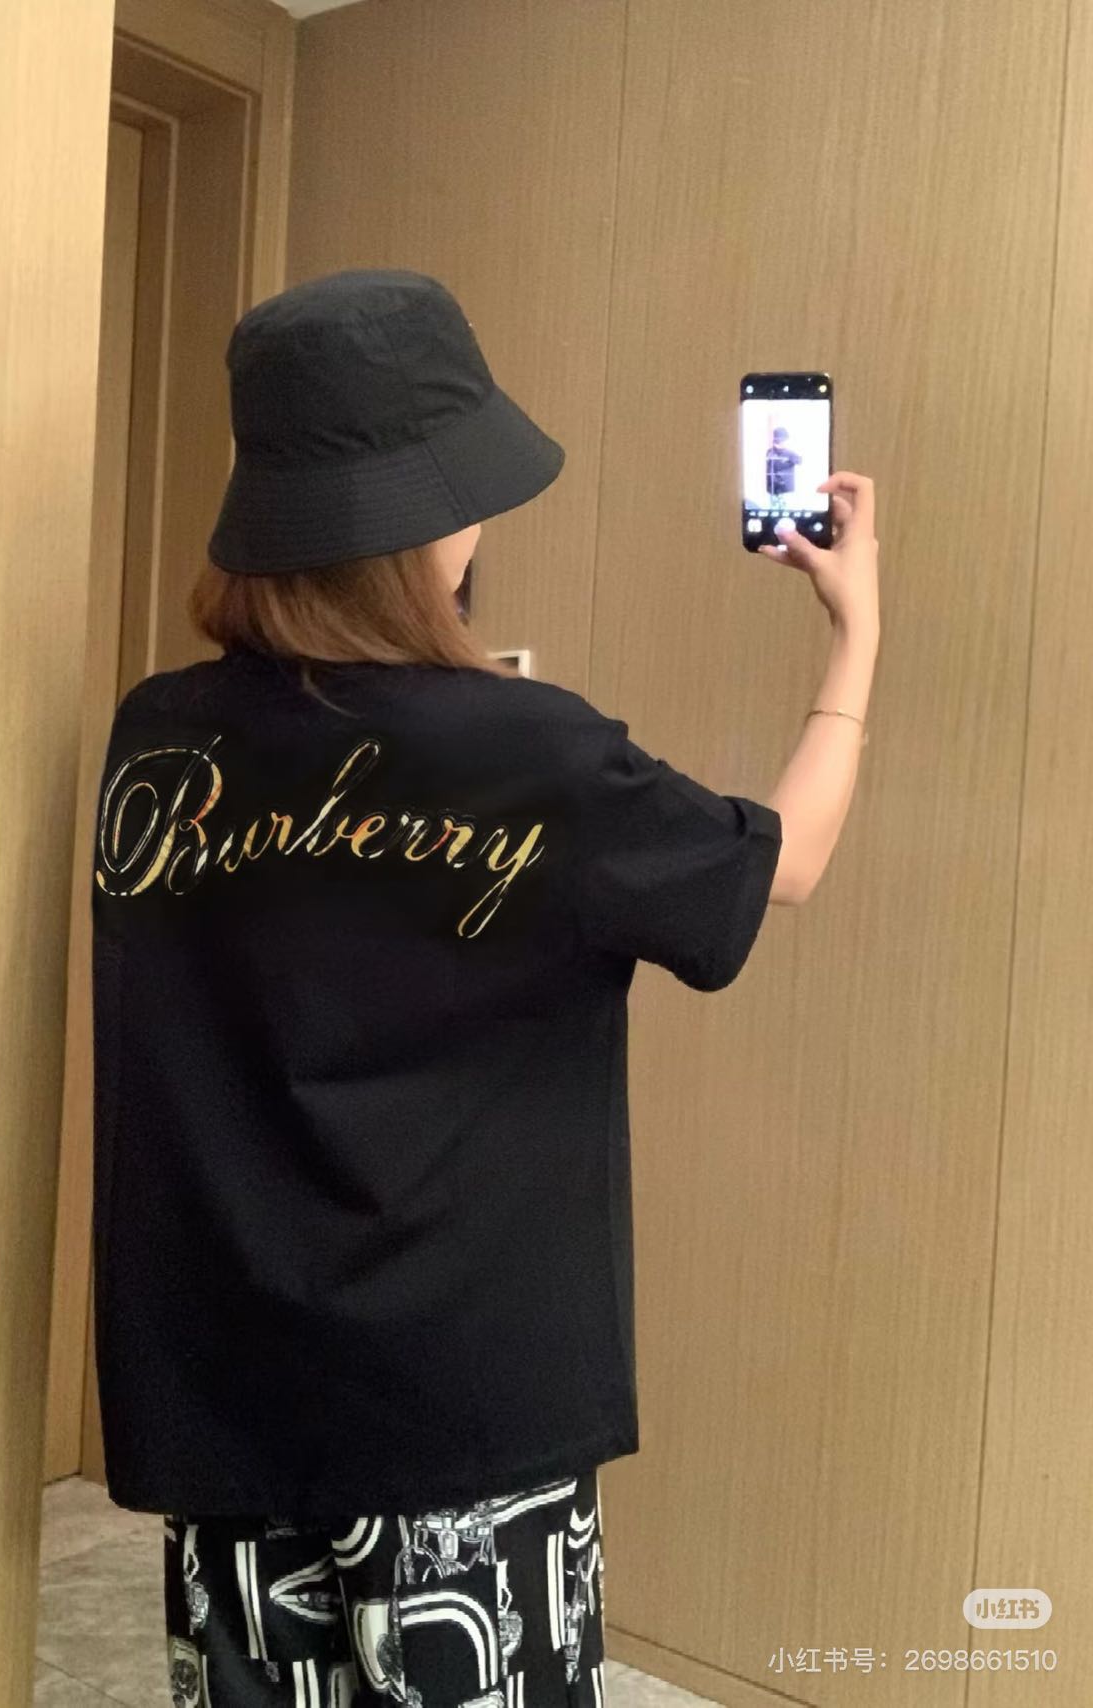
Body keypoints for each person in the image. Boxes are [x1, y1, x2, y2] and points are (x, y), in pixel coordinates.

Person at [88, 269, 880, 1708]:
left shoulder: (160, 742)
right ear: (423, 524)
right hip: (462, 1406)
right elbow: (785, 862)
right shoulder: (531, 753)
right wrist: (855, 638)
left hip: (228, 1389)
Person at [766, 424, 803, 506]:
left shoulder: (789, 453)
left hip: (786, 490)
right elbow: (769, 470)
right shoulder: (770, 452)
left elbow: (799, 461)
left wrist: (789, 460)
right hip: (773, 489)